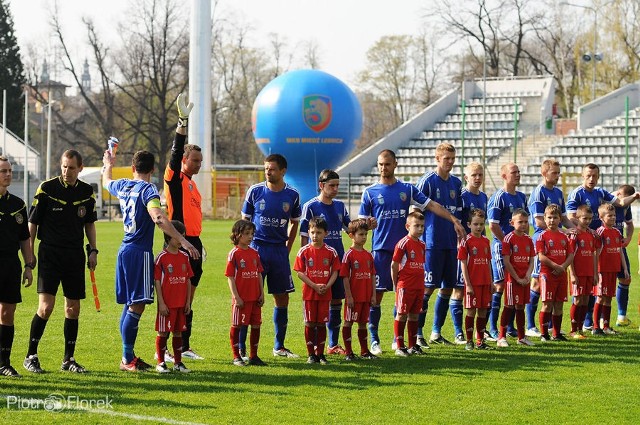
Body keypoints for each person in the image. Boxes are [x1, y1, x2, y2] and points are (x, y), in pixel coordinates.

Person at [103, 149, 199, 372]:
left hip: (124, 250)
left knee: (129, 305)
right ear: (154, 170)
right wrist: (183, 241)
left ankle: (128, 356)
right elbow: (157, 217)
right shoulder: (148, 190)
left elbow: (107, 181)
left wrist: (108, 163)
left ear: (133, 168)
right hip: (140, 252)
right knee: (136, 306)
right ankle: (127, 359)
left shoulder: (124, 185)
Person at [358, 149, 462, 355]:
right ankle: (374, 340)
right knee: (375, 297)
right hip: (380, 251)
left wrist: (453, 220)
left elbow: (431, 205)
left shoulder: (407, 189)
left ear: (395, 164)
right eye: (380, 164)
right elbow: (360, 224)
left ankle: (401, 342)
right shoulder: (369, 192)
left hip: (405, 253)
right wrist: (367, 224)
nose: (383, 167)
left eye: (387, 164)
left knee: (402, 297)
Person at [23, 150, 98, 374]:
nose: (66, 171)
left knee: (73, 308)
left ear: (80, 168)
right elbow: (32, 223)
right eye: (64, 167)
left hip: (74, 255)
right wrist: (30, 254)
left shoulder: (86, 192)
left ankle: (68, 359)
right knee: (46, 307)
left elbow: (89, 224)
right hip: (49, 254)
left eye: (71, 168)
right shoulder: (46, 189)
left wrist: (93, 250)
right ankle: (31, 355)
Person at [242, 153, 301, 358]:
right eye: (266, 168)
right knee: (249, 297)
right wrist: (245, 247)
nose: (268, 171)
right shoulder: (255, 191)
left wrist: (288, 245)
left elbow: (295, 221)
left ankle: (279, 346)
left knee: (282, 297)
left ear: (283, 171)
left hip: (278, 250)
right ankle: (241, 348)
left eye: (272, 168)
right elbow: (245, 220)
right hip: (257, 248)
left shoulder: (292, 195)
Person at [566, 163, 639, 330]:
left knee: (598, 286)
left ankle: (597, 323)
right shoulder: (577, 193)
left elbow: (620, 202)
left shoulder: (600, 192)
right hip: (584, 243)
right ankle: (581, 324)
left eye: (594, 176)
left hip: (600, 241)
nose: (591, 179)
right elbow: (571, 216)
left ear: (598, 177)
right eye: (588, 175)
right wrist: (589, 231)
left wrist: (635, 196)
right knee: (584, 285)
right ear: (582, 175)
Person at [163, 93, 204, 360]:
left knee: (188, 299)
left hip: (195, 243)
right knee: (173, 299)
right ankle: (165, 349)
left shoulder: (192, 183)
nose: (199, 165)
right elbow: (176, 152)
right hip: (178, 243)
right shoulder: (174, 179)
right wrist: (182, 123)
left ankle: (184, 345)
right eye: (195, 161)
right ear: (184, 162)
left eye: (201, 161)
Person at [415, 143, 466, 346]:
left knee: (447, 288)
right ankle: (417, 334)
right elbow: (416, 213)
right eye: (447, 159)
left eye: (453, 159)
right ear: (437, 159)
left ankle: (436, 332)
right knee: (427, 289)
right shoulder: (427, 181)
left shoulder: (456, 183)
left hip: (450, 243)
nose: (450, 163)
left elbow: (460, 213)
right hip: (431, 243)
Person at [300, 169, 350, 355]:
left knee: (336, 299)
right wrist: (304, 262)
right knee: (315, 304)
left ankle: (332, 344)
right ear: (321, 185)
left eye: (337, 185)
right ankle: (313, 347)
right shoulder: (310, 206)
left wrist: (365, 224)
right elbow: (304, 237)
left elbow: (350, 228)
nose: (335, 189)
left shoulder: (340, 206)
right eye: (332, 186)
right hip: (316, 266)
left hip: (337, 262)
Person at [526, 159, 574, 337]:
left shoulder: (559, 193)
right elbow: (539, 221)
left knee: (555, 292)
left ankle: (552, 329)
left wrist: (572, 229)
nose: (558, 175)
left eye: (558, 172)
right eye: (554, 172)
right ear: (544, 173)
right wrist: (563, 230)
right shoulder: (538, 193)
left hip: (558, 241)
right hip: (543, 240)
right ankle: (531, 325)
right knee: (537, 283)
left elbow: (563, 218)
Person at [486, 163, 528, 342]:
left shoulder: (521, 196)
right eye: (513, 172)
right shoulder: (498, 197)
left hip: (517, 249)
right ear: (504, 176)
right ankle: (493, 328)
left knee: (516, 286)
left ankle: (510, 327)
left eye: (518, 172)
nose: (517, 175)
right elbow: (493, 225)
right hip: (501, 247)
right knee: (500, 286)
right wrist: (507, 243)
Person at [0, 156, 33, 377]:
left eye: (9, 170)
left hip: (10, 265)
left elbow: (24, 238)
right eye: (3, 171)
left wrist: (29, 264)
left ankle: (4, 363)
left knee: (7, 313)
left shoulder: (18, 204)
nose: (8, 174)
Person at [293, 217, 341, 364]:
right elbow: (299, 272)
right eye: (312, 232)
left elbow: (335, 272)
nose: (315, 235)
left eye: (319, 232)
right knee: (309, 323)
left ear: (325, 233)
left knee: (321, 323)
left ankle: (320, 354)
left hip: (325, 294)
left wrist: (327, 286)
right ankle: (310, 355)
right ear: (308, 232)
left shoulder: (331, 252)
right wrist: (314, 285)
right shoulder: (303, 251)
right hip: (309, 294)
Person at [455, 161, 488, 344]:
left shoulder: (483, 197)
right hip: (465, 247)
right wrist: (461, 241)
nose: (477, 178)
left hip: (480, 251)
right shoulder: (462, 196)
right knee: (459, 291)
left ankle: (479, 338)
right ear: (466, 177)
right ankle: (460, 333)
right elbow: (459, 222)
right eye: (473, 175)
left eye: (480, 175)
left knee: (481, 305)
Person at [154, 220, 193, 373]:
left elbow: (188, 279)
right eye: (179, 237)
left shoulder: (184, 257)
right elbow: (157, 282)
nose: (182, 240)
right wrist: (161, 303)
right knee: (163, 332)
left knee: (178, 332)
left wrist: (188, 301)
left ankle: (178, 363)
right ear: (169, 237)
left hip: (181, 303)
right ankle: (161, 362)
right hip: (167, 304)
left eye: (183, 237)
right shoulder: (161, 258)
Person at [225, 219, 266, 366]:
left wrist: (261, 293)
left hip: (255, 297)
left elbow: (259, 273)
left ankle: (253, 356)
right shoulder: (234, 254)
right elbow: (230, 277)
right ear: (237, 235)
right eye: (246, 233)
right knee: (237, 325)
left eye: (252, 234)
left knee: (256, 325)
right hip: (242, 298)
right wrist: (236, 297)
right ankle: (236, 356)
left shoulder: (255, 253)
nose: (250, 237)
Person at [535, 204, 575, 342]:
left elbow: (570, 255)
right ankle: (544, 334)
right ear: (545, 219)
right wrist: (556, 266)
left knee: (559, 304)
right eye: (549, 217)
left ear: (560, 220)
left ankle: (556, 334)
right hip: (547, 274)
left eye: (555, 218)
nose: (552, 220)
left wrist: (563, 267)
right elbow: (541, 256)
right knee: (547, 304)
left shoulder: (564, 236)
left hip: (562, 274)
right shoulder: (542, 236)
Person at [340, 219, 377, 360]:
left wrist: (373, 295)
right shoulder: (348, 255)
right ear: (351, 236)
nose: (364, 237)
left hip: (366, 296)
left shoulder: (368, 255)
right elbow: (344, 277)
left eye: (365, 234)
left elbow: (372, 275)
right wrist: (349, 296)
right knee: (348, 322)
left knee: (363, 323)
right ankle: (349, 352)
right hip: (354, 297)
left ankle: (364, 351)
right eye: (360, 234)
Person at [391, 211, 427, 356]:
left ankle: (413, 346)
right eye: (416, 226)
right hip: (405, 286)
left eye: (422, 226)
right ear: (407, 226)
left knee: (414, 315)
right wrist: (396, 283)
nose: (420, 229)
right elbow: (394, 264)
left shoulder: (422, 244)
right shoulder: (403, 243)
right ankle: (400, 346)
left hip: (418, 286)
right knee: (402, 314)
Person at [498, 209, 535, 347]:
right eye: (520, 222)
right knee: (509, 306)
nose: (524, 224)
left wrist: (527, 275)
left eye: (526, 222)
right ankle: (501, 337)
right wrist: (517, 278)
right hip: (512, 280)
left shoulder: (529, 239)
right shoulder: (508, 239)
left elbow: (531, 260)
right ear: (512, 223)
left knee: (521, 306)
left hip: (524, 279)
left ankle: (521, 337)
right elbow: (507, 262)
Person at [458, 208, 493, 350]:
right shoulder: (465, 241)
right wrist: (468, 284)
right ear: (469, 224)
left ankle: (480, 341)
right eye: (476, 224)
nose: (479, 227)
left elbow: (488, 262)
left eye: (481, 224)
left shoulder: (485, 241)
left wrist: (491, 281)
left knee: (483, 311)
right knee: (471, 311)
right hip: (473, 283)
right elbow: (463, 264)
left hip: (485, 282)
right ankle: (469, 341)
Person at [593, 203, 628, 335]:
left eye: (614, 215)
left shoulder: (617, 232)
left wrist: (624, 268)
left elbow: (620, 252)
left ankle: (606, 326)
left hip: (613, 269)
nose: (613, 218)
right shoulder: (600, 233)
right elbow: (596, 253)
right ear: (601, 217)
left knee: (608, 298)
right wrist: (595, 271)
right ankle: (596, 327)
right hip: (602, 270)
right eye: (609, 216)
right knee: (600, 297)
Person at [567, 205, 598, 339]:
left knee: (586, 300)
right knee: (578, 300)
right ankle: (573, 330)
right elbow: (570, 255)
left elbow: (593, 254)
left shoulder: (591, 234)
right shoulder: (575, 235)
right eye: (585, 218)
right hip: (578, 273)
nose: (587, 221)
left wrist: (595, 273)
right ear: (577, 218)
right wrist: (572, 273)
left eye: (590, 219)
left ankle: (580, 328)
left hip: (589, 272)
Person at [613, 185, 634, 327]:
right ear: (619, 194)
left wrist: (628, 237)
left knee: (625, 279)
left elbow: (630, 224)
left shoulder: (627, 204)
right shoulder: (608, 202)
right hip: (605, 246)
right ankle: (596, 319)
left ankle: (621, 316)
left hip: (619, 247)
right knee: (600, 282)